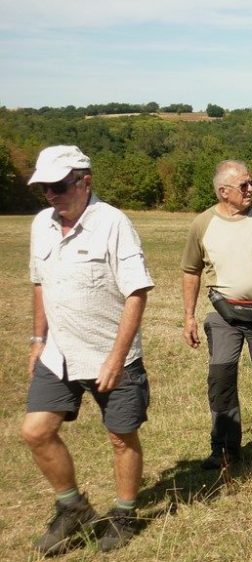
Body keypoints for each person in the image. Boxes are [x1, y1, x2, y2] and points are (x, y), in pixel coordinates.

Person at [22, 145, 155, 554]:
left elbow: (136, 291)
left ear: (85, 181)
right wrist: (38, 339)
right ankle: (72, 507)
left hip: (108, 354)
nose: (51, 195)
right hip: (58, 354)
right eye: (44, 187)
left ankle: (124, 513)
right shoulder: (42, 224)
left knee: (120, 436)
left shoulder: (112, 223)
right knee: (35, 430)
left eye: (59, 186)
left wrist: (117, 356)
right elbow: (40, 283)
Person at [181, 160, 252, 470]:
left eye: (251, 182)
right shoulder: (202, 225)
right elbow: (191, 271)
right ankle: (224, 447)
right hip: (223, 315)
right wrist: (189, 316)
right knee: (221, 377)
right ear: (223, 191)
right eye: (244, 185)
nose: (251, 189)